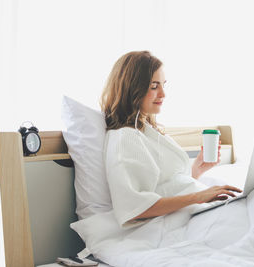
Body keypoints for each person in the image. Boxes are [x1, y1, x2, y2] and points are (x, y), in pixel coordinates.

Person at [100, 51, 242, 228]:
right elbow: (134, 207)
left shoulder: (147, 131)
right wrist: (199, 197)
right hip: (177, 222)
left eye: (163, 85)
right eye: (154, 86)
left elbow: (166, 186)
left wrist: (197, 169)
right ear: (132, 88)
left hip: (195, 212)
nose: (163, 94)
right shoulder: (125, 138)